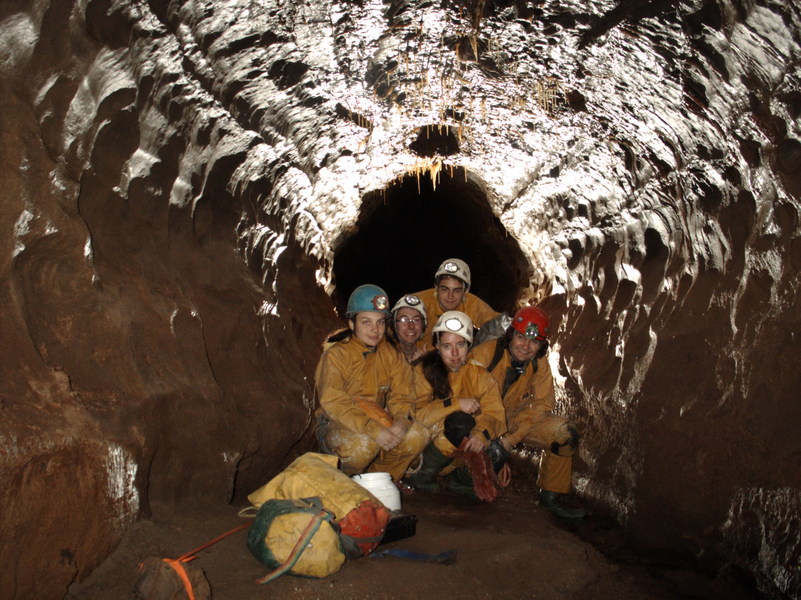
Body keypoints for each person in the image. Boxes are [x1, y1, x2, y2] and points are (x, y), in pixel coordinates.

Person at [471, 306, 587, 519]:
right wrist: (490, 436)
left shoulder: (538, 363)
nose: (526, 346)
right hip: (481, 421)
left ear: (541, 345)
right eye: (521, 338)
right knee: (473, 475)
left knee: (565, 433)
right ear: (510, 335)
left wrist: (509, 440)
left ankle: (550, 498)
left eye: (534, 342)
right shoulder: (485, 354)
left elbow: (543, 404)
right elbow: (466, 399)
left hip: (514, 419)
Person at [314, 284, 429, 481]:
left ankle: (377, 480)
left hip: (377, 419)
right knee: (363, 445)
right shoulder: (337, 355)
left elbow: (402, 394)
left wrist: (402, 420)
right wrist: (372, 428)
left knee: (417, 435)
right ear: (352, 324)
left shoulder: (391, 354)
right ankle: (340, 482)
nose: (374, 330)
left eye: (380, 323)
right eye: (366, 322)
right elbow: (334, 401)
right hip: (337, 422)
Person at [406, 311, 507, 499]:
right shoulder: (424, 371)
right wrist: (455, 403)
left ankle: (457, 482)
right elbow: (418, 414)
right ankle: (422, 476)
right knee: (458, 422)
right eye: (446, 346)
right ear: (437, 347)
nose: (454, 353)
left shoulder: (480, 375)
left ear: (469, 346)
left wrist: (481, 435)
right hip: (427, 445)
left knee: (496, 451)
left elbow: (495, 413)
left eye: (460, 345)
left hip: (460, 446)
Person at [414, 258, 504, 346]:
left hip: (456, 357)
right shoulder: (418, 303)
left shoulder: (472, 304)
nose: (450, 296)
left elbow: (500, 325)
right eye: (445, 289)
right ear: (436, 288)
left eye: (457, 290)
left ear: (465, 292)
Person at [387, 294, 428, 363]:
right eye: (404, 319)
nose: (411, 326)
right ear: (394, 324)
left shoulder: (431, 362)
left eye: (416, 320)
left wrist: (426, 365)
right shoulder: (384, 358)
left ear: (423, 325)